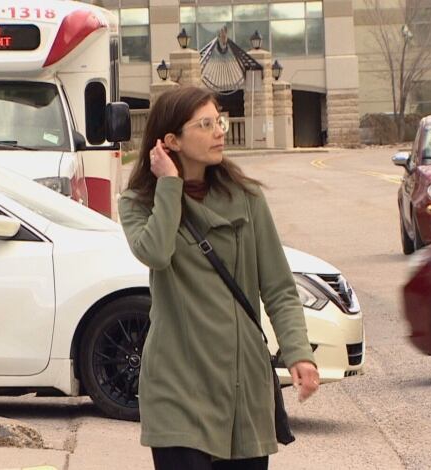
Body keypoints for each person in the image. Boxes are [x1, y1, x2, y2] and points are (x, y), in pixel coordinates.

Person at [118, 86, 320, 470]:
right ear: (171, 140)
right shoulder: (137, 203)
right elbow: (156, 253)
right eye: (206, 124)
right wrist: (169, 185)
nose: (219, 132)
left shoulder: (245, 197)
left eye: (220, 121)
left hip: (241, 384)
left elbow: (277, 287)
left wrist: (298, 353)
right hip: (177, 384)